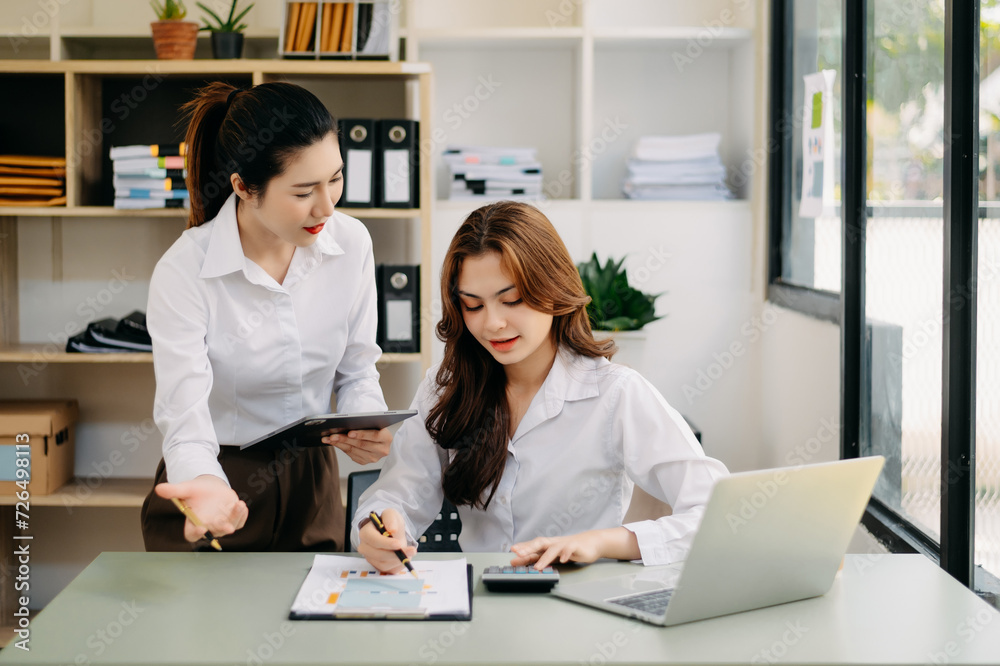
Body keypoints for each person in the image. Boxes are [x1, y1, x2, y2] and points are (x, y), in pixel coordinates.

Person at [354, 200, 729, 571]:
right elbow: (397, 494)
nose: (493, 324)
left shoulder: (615, 394)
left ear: (552, 288)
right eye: (473, 305)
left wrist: (604, 542)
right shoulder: (445, 387)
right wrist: (378, 529)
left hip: (579, 607)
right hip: (479, 606)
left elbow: (718, 513)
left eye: (512, 300)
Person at [140, 81, 392, 552]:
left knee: (312, 620)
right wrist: (205, 487)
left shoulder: (352, 243)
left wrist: (365, 419)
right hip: (218, 480)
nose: (327, 205)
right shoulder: (185, 271)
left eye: (335, 178)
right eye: (303, 191)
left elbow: (357, 368)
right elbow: (184, 417)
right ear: (243, 186)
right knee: (205, 625)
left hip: (312, 482)